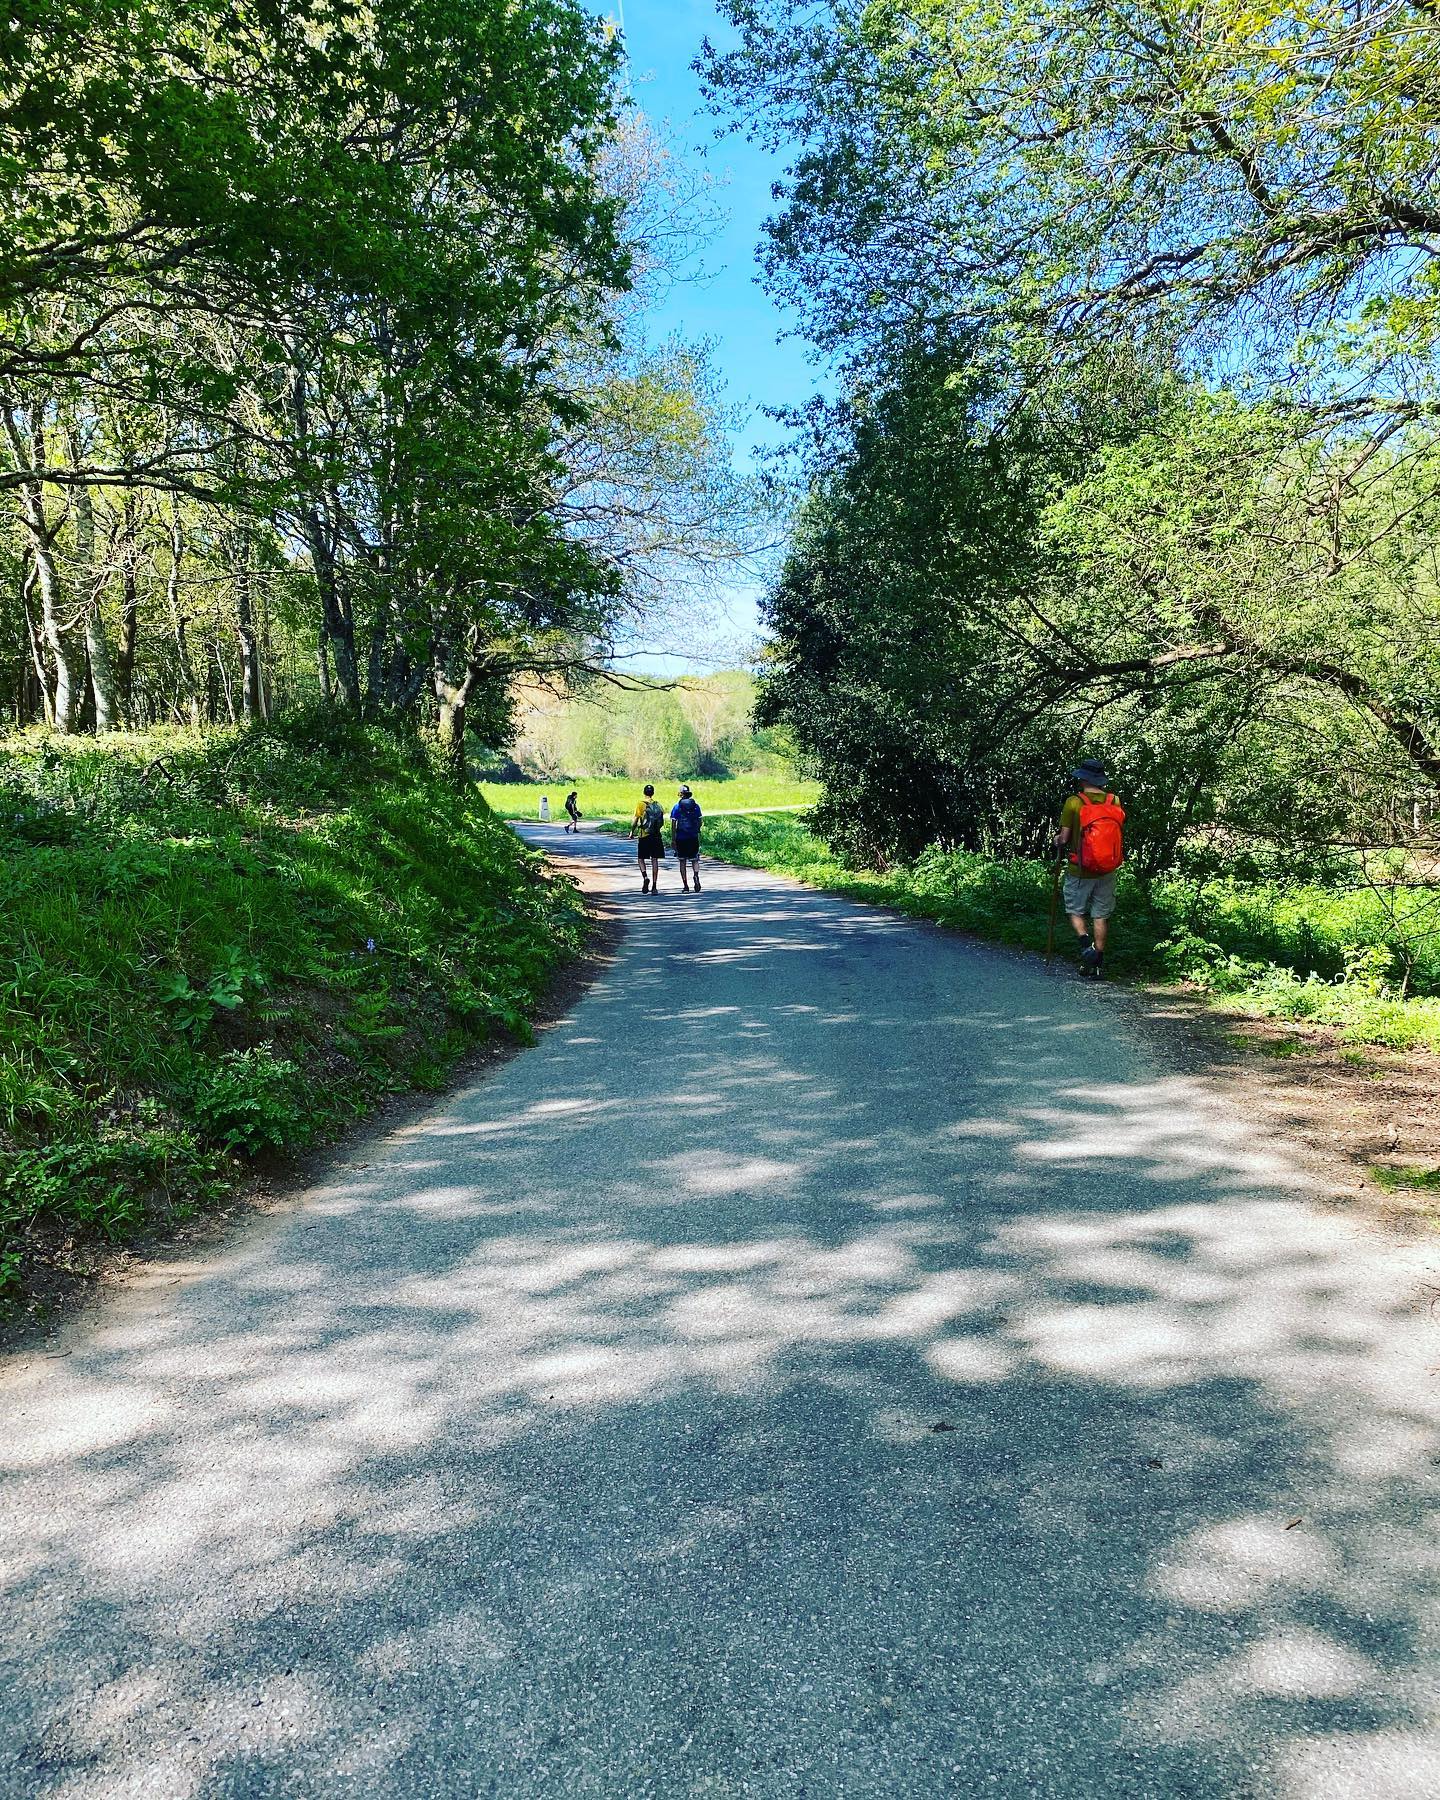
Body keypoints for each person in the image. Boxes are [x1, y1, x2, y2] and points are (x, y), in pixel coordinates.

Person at [1055, 757, 1125, 978]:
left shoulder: (1074, 802)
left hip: (1080, 868)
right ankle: (1097, 965)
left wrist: (1057, 840)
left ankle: (1086, 946)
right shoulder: (1114, 801)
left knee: (1075, 910)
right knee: (1101, 916)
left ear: (1082, 778)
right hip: (1107, 868)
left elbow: (1064, 839)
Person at [629, 783, 665, 892]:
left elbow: (635, 820)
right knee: (655, 860)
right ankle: (654, 886)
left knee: (641, 859)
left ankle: (645, 877)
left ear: (644, 793)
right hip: (656, 836)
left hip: (644, 835)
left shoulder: (641, 804)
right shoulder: (658, 805)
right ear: (653, 793)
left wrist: (632, 831)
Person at [670, 784, 703, 891]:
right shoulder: (696, 806)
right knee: (695, 859)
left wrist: (673, 838)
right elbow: (700, 821)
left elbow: (673, 824)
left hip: (681, 837)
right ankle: (696, 876)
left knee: (682, 861)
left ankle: (685, 885)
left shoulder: (677, 807)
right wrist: (696, 830)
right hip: (693, 836)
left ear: (680, 794)